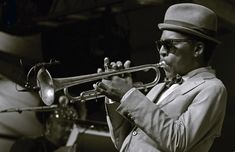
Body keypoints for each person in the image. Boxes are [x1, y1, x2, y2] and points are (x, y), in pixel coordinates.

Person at [93, 3, 227, 152]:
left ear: (197, 49)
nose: (161, 51)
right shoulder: (159, 87)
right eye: (160, 45)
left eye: (169, 45)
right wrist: (114, 98)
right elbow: (124, 141)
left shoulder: (211, 88)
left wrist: (128, 95)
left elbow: (178, 141)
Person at [10, 96, 81, 152]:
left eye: (72, 125)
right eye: (63, 124)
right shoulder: (26, 144)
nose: (69, 129)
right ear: (48, 124)